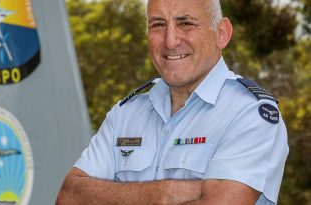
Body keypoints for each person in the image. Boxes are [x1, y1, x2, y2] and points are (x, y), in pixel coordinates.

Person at [56, 0, 289, 204]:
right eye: (158, 24)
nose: (170, 40)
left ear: (222, 33)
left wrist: (113, 196)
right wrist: (165, 194)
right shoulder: (125, 115)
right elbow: (69, 197)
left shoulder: (250, 113)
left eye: (185, 23)